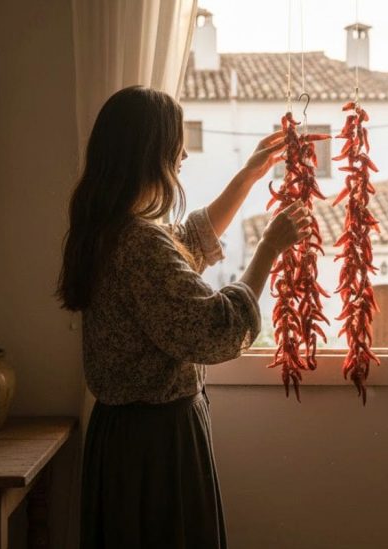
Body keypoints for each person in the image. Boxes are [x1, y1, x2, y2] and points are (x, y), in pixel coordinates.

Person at [57, 86, 313, 548]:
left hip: (123, 439)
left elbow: (185, 242)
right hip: (154, 447)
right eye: (176, 147)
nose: (183, 157)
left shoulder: (110, 229)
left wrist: (248, 177)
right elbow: (215, 331)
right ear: (149, 154)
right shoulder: (137, 243)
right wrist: (269, 249)